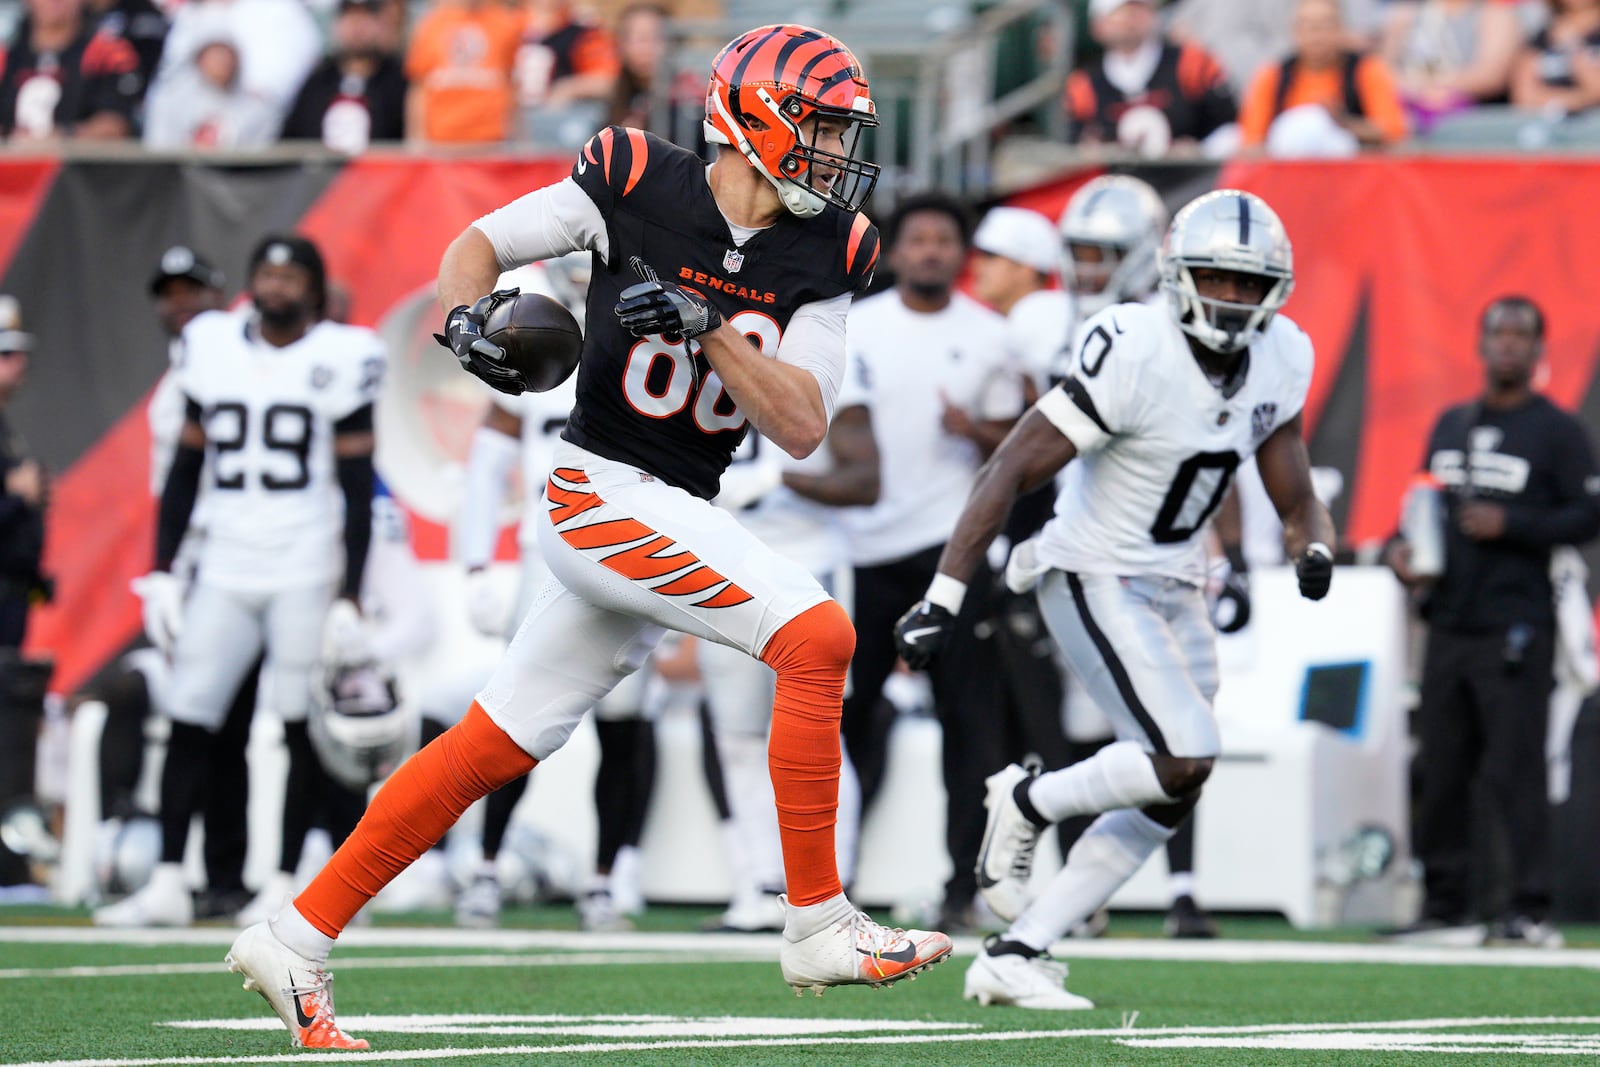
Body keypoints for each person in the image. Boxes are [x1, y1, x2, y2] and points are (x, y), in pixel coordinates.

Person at [225, 24, 952, 1050]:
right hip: (595, 484)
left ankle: (295, 934)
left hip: (678, 501)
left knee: (495, 739)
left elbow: (797, 424)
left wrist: (704, 325)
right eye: (824, 131)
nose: (839, 156)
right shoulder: (633, 178)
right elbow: (475, 247)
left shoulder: (827, 248)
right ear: (757, 122)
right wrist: (468, 323)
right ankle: (817, 919)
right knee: (818, 637)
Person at [895, 189, 1336, 1009]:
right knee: (1184, 752)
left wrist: (1313, 543)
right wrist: (945, 596)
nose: (1233, 298)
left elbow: (1293, 483)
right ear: (1175, 275)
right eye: (1217, 278)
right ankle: (1028, 797)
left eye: (1249, 283)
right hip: (1091, 566)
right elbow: (1011, 466)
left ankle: (1018, 950)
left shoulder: (1283, 357)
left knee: (1178, 782)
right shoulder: (1133, 346)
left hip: (1177, 577)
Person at [95, 235, 385, 929]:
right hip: (225, 557)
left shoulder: (341, 356)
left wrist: (349, 591)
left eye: (289, 274)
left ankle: (285, 878)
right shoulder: (211, 344)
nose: (275, 284)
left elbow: (354, 487)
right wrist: (164, 570)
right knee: (191, 714)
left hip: (303, 559)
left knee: (298, 722)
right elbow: (185, 471)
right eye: (266, 272)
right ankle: (169, 876)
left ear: (314, 289)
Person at [1383, 296, 1600, 948]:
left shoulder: (1557, 431)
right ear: (1479, 345)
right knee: (1442, 768)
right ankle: (1445, 903)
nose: (1507, 345)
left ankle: (1528, 907)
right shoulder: (1451, 423)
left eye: (1520, 335)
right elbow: (1422, 502)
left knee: (1515, 769)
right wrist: (1403, 550)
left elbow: (1588, 516)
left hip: (1516, 626)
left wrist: (1515, 525)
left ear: (1539, 351)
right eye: (1497, 333)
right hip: (1448, 620)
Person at [453, 256, 659, 932]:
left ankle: (608, 874)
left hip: (631, 549)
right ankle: (485, 865)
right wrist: (477, 562)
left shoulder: (657, 342)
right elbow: (487, 465)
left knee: (624, 724)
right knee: (517, 716)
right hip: (548, 552)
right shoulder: (535, 337)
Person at [1065, 0, 1238, 157]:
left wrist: (1202, 151)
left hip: (1191, 183)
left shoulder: (1191, 63)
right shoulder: (1083, 85)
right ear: (1098, 25)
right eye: (1120, 12)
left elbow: (1231, 128)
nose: (1130, 20)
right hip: (1118, 184)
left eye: (1138, 9)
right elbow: (1072, 146)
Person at [1238, 0, 1410, 156]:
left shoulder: (1366, 70)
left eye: (1324, 26)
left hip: (1353, 178)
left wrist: (1346, 124)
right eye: (1308, 26)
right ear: (1294, 32)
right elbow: (1251, 144)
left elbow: (1393, 133)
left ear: (1341, 29)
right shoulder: (1272, 76)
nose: (1316, 36)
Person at [0, 0, 144, 140]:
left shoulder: (108, 53)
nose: (54, 1)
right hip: (11, 161)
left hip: (79, 162)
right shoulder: (6, 57)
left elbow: (116, 124)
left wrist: (59, 137)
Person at [279, 0, 407, 153]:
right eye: (350, 17)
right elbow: (291, 141)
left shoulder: (397, 82)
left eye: (365, 17)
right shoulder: (318, 82)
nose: (357, 27)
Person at [1380, 0, 1522, 129]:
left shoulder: (1493, 14)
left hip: (1472, 123)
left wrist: (1436, 87)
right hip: (1406, 119)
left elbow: (1491, 76)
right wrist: (1415, 90)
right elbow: (1382, 70)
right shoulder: (1405, 14)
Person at [403, 0, 521, 145]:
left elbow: (512, 86)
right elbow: (418, 88)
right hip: (440, 142)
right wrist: (417, 139)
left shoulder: (504, 23)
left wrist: (515, 139)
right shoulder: (432, 24)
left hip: (491, 141)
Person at [0, 298, 45, 648]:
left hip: (13, 590)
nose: (19, 363)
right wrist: (17, 498)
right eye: (5, 354)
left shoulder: (5, 425)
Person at [1509, 0, 1600, 115]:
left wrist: (1573, 48)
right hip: (1548, 122)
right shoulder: (1543, 34)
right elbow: (1523, 95)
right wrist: (1569, 101)